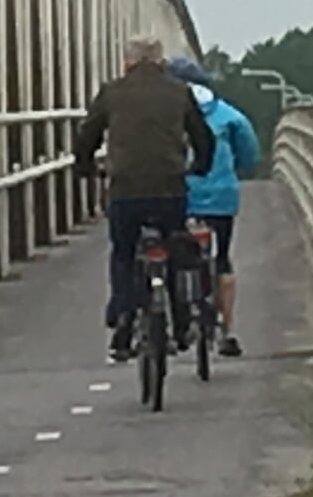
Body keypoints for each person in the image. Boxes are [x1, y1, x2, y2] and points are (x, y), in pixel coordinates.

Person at [73, 35, 214, 363]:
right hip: (169, 189)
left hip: (125, 190)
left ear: (127, 62)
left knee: (123, 252)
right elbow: (202, 137)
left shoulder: (111, 92)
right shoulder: (180, 93)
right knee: (176, 249)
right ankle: (180, 323)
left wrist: (84, 167)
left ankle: (123, 317)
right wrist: (199, 167)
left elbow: (87, 136)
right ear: (162, 63)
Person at [165, 55, 259, 358]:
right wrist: (234, 170)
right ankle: (226, 330)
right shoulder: (227, 114)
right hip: (221, 195)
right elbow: (249, 152)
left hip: (179, 194)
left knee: (171, 254)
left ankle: (177, 323)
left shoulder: (164, 113)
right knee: (221, 259)